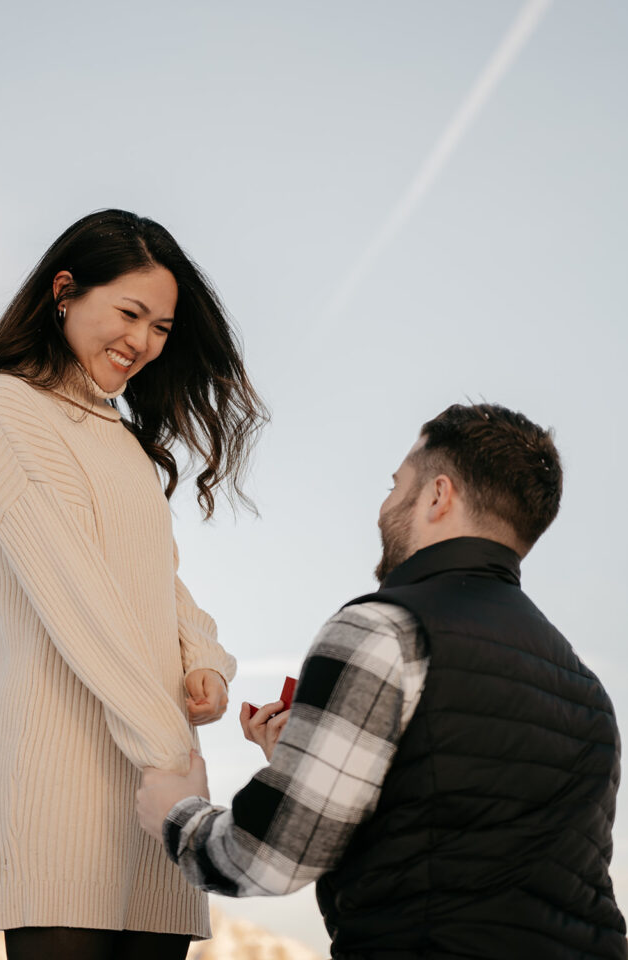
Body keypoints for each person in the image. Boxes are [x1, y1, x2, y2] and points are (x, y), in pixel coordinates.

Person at [137, 403, 627, 960]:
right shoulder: (587, 690)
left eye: (397, 485)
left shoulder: (382, 629)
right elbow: (481, 853)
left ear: (438, 495)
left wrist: (179, 814)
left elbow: (267, 860)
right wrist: (308, 761)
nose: (384, 504)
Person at [0, 208, 268, 960]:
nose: (144, 342)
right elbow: (75, 593)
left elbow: (160, 585)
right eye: (131, 312)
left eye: (161, 327)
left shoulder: (121, 440)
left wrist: (205, 663)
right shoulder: (9, 406)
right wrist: (170, 756)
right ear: (65, 291)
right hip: (64, 780)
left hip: (160, 788)